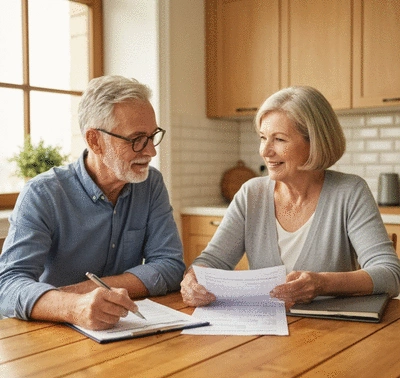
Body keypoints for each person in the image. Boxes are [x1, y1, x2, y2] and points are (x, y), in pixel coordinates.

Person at [181, 86, 400, 308]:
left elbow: (390, 274)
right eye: (263, 137)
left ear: (314, 142)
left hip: (333, 333)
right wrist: (194, 279)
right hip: (264, 333)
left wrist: (322, 283)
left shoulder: (349, 192)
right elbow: (212, 261)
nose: (265, 151)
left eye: (279, 139)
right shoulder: (251, 194)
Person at [0, 75, 185, 330]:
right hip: (52, 333)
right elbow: (8, 285)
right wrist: (73, 305)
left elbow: (171, 266)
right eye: (137, 139)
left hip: (120, 329)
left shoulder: (150, 184)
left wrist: (91, 289)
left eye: (153, 136)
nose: (151, 151)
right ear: (95, 141)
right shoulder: (43, 194)